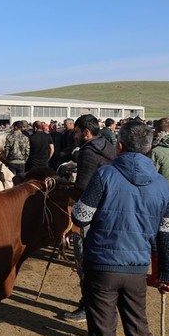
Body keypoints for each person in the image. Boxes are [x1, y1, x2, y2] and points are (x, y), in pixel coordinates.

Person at [72, 119, 169, 336]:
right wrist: (168, 272)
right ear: (149, 147)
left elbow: (81, 216)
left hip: (102, 266)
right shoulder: (162, 184)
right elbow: (168, 232)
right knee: (140, 333)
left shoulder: (105, 175)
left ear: (119, 146)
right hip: (136, 269)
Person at [64, 113, 118, 322]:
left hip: (91, 215)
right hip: (108, 210)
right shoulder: (106, 145)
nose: (74, 136)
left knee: (83, 261)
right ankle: (95, 301)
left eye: (76, 132)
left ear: (86, 132)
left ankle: (88, 306)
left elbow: (83, 188)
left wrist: (66, 199)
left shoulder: (88, 151)